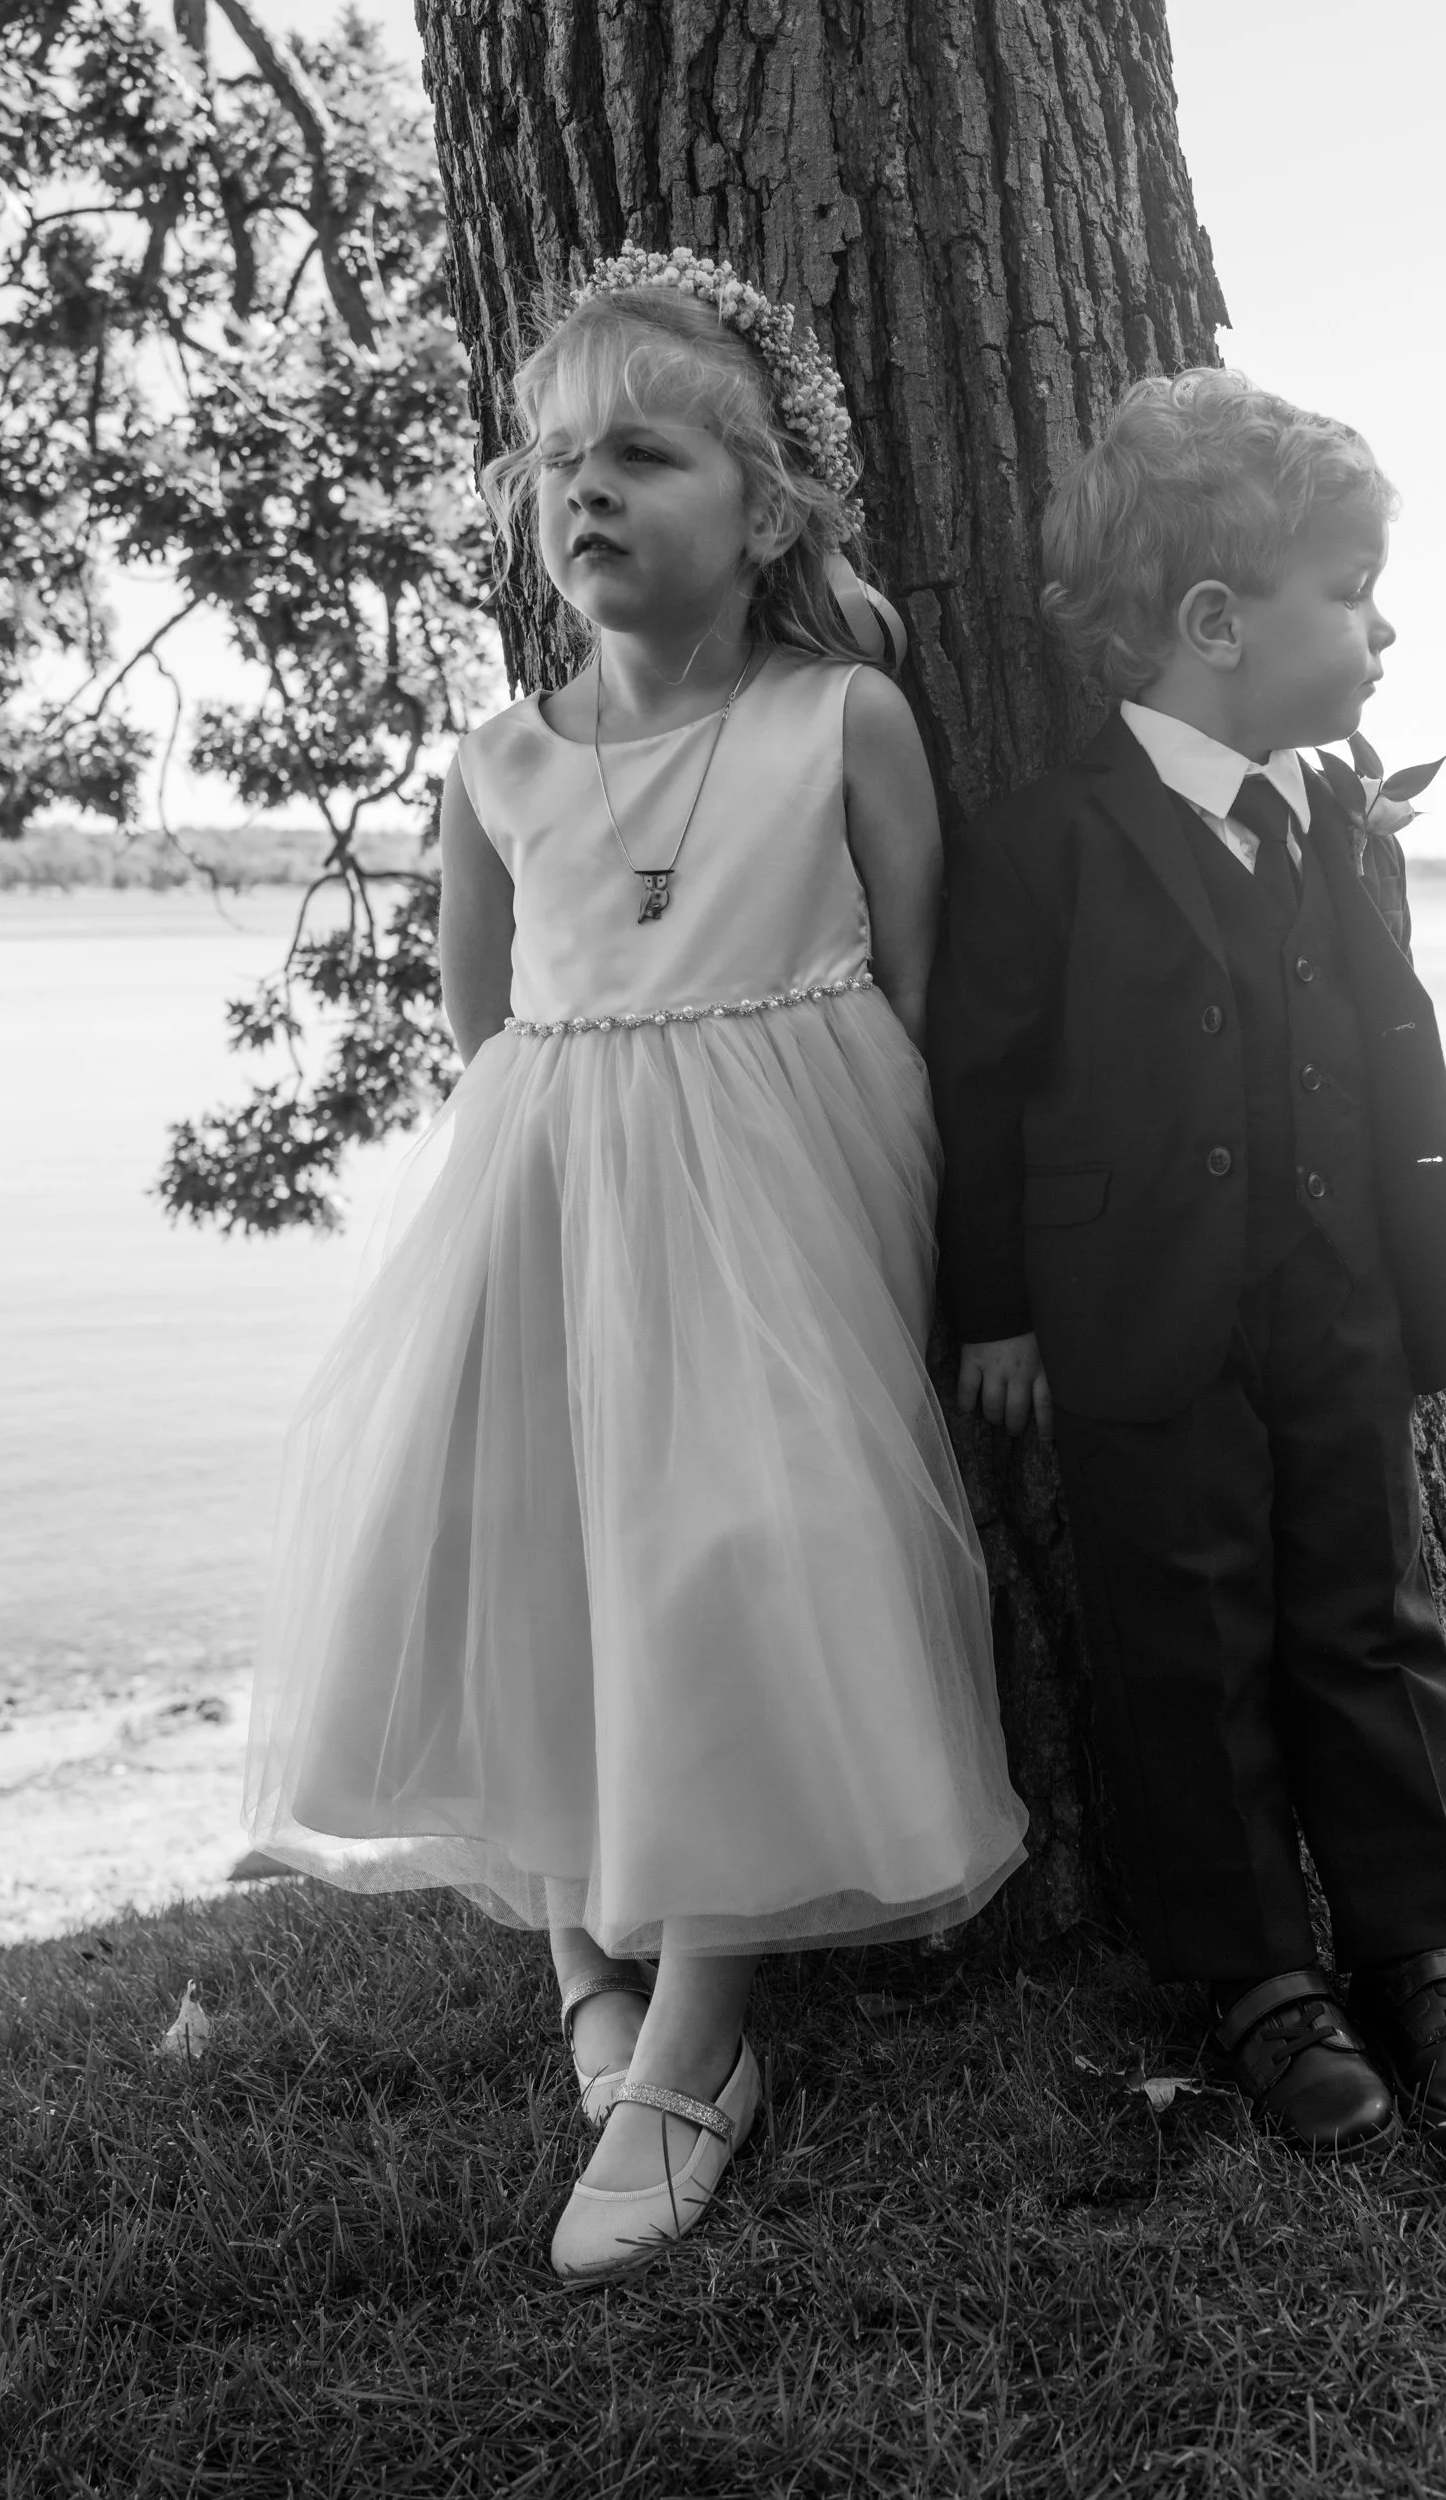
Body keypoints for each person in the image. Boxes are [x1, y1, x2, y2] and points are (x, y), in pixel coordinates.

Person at [242, 249, 1028, 2281]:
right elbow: (487, 1029)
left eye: (644, 455)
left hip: (782, 1214)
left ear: (760, 510)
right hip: (554, 1206)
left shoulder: (837, 719)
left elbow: (922, 1004)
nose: (583, 490)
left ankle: (692, 2044)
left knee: (733, 1566)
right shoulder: (499, 766)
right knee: (520, 1565)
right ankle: (587, 1969)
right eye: (553, 458)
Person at [927, 369, 1446, 2155]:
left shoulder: (1329, 819)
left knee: (1376, 1619)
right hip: (1139, 1325)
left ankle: (1425, 1951)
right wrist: (1001, 1308)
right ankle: (1260, 1978)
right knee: (1180, 1645)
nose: (1381, 623)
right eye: (1347, 592)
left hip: (1342, 1296)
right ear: (1212, 623)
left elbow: (1380, 1034)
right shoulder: (1043, 845)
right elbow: (979, 1090)